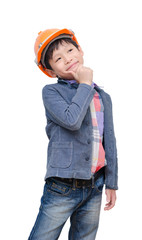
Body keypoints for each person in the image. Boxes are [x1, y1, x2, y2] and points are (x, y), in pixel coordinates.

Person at [28, 28, 118, 240]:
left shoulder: (102, 96)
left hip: (95, 185)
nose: (68, 59)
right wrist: (85, 83)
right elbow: (72, 120)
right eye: (58, 58)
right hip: (62, 186)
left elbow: (110, 140)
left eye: (70, 50)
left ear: (80, 50)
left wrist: (112, 182)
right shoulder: (52, 92)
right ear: (51, 71)